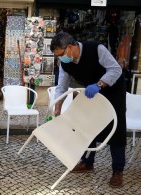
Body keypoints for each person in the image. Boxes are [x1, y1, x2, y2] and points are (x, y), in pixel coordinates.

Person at [50, 32, 126, 188]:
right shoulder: (65, 63)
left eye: (61, 54)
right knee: (87, 125)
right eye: (57, 56)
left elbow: (116, 70)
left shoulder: (96, 49)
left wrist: (99, 84)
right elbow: (62, 86)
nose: (60, 59)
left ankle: (117, 171)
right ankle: (87, 162)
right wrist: (57, 106)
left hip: (112, 91)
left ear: (70, 47)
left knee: (116, 130)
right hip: (92, 93)